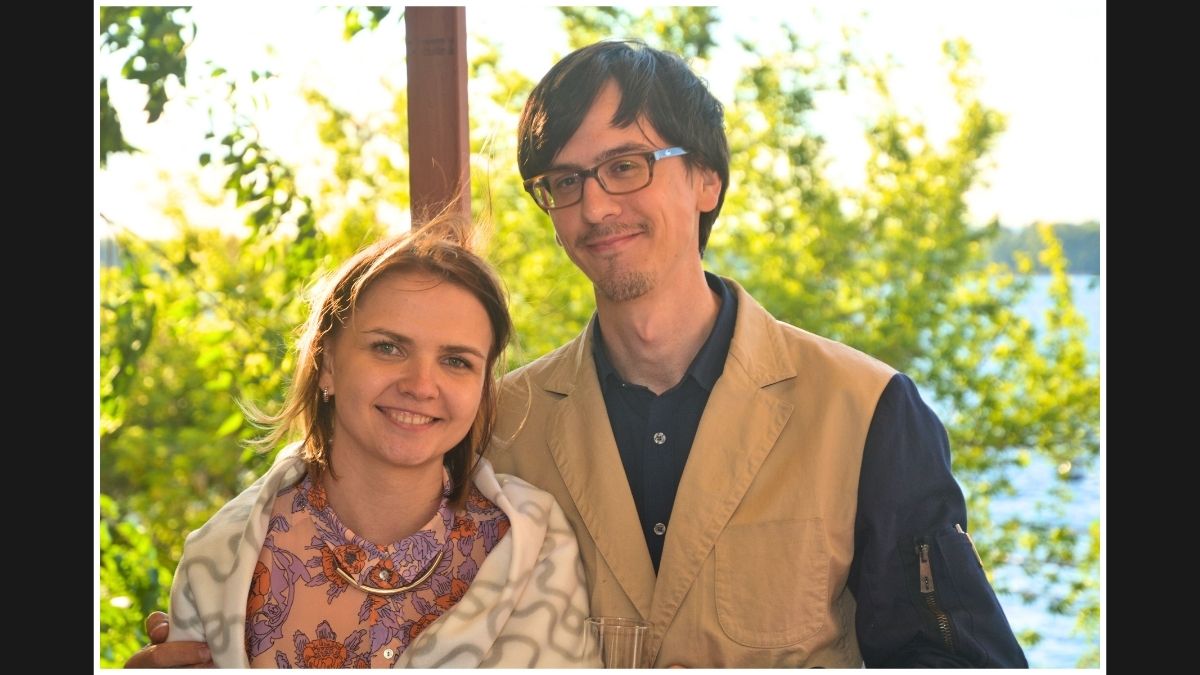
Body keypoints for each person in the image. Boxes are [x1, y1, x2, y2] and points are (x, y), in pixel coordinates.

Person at [129, 39, 1028, 668]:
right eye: (564, 180)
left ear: (707, 178)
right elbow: (366, 596)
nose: (596, 205)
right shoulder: (492, 420)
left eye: (628, 164)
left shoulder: (866, 411)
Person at [128, 215, 593, 668]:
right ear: (327, 363)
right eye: (388, 347)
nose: (421, 385)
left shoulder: (535, 551)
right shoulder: (226, 558)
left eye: (456, 361)